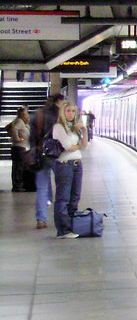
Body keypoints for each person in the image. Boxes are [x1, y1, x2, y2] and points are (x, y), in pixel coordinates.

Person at [51, 100, 88, 239]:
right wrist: (78, 146)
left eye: (73, 111)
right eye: (68, 111)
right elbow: (68, 147)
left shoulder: (75, 128)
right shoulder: (59, 127)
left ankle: (73, 226)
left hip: (77, 165)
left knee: (75, 197)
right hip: (64, 165)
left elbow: (85, 145)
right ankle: (63, 230)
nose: (71, 114)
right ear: (63, 112)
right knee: (63, 198)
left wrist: (84, 130)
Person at [29, 93, 65, 229]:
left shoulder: (38, 115)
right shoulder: (60, 116)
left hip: (41, 154)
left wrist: (36, 150)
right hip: (57, 154)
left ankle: (41, 219)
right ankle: (61, 217)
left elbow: (32, 137)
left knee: (42, 187)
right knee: (62, 186)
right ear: (59, 101)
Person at [5, 106, 33, 192]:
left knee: (20, 166)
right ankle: (17, 185)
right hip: (19, 147)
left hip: (22, 147)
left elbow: (8, 127)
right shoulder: (19, 121)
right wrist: (17, 138)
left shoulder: (21, 122)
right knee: (18, 167)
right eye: (26, 114)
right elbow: (13, 129)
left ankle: (20, 184)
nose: (27, 116)